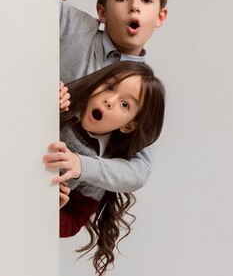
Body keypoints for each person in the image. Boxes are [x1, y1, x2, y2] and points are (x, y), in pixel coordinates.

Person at [46, 0, 169, 194]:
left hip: (61, 195)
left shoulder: (143, 91)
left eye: (146, 1)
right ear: (102, 12)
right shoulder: (78, 29)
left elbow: (139, 172)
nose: (134, 6)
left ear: (160, 17)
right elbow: (30, 9)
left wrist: (82, 166)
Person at [54, 61, 165, 276]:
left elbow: (72, 224)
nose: (108, 100)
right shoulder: (67, 104)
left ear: (128, 125)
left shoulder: (99, 168)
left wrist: (53, 209)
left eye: (125, 105)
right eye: (109, 87)